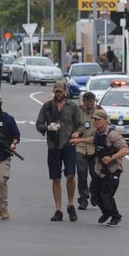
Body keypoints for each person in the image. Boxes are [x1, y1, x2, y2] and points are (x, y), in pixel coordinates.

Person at [71, 109, 129, 227]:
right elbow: (93, 140)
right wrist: (79, 140)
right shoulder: (97, 132)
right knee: (94, 191)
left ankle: (116, 216)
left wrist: (111, 157)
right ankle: (106, 212)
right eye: (94, 119)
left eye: (98, 119)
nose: (96, 122)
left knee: (106, 193)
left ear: (104, 120)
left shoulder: (113, 134)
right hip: (101, 168)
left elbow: (125, 149)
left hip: (113, 169)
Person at [36, 80, 83, 222]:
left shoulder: (73, 107)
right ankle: (58, 209)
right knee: (55, 177)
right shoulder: (47, 106)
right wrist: (47, 127)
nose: (58, 94)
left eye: (60, 91)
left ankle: (70, 204)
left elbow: (80, 125)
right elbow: (39, 124)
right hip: (53, 145)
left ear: (65, 92)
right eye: (56, 91)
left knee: (70, 175)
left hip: (68, 144)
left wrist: (77, 133)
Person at [75, 92, 103, 210]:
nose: (88, 104)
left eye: (91, 101)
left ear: (94, 101)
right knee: (81, 173)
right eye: (86, 101)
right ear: (83, 101)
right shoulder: (77, 111)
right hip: (80, 145)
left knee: (95, 174)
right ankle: (83, 198)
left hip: (94, 147)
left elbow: (107, 126)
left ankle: (94, 193)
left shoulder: (100, 111)